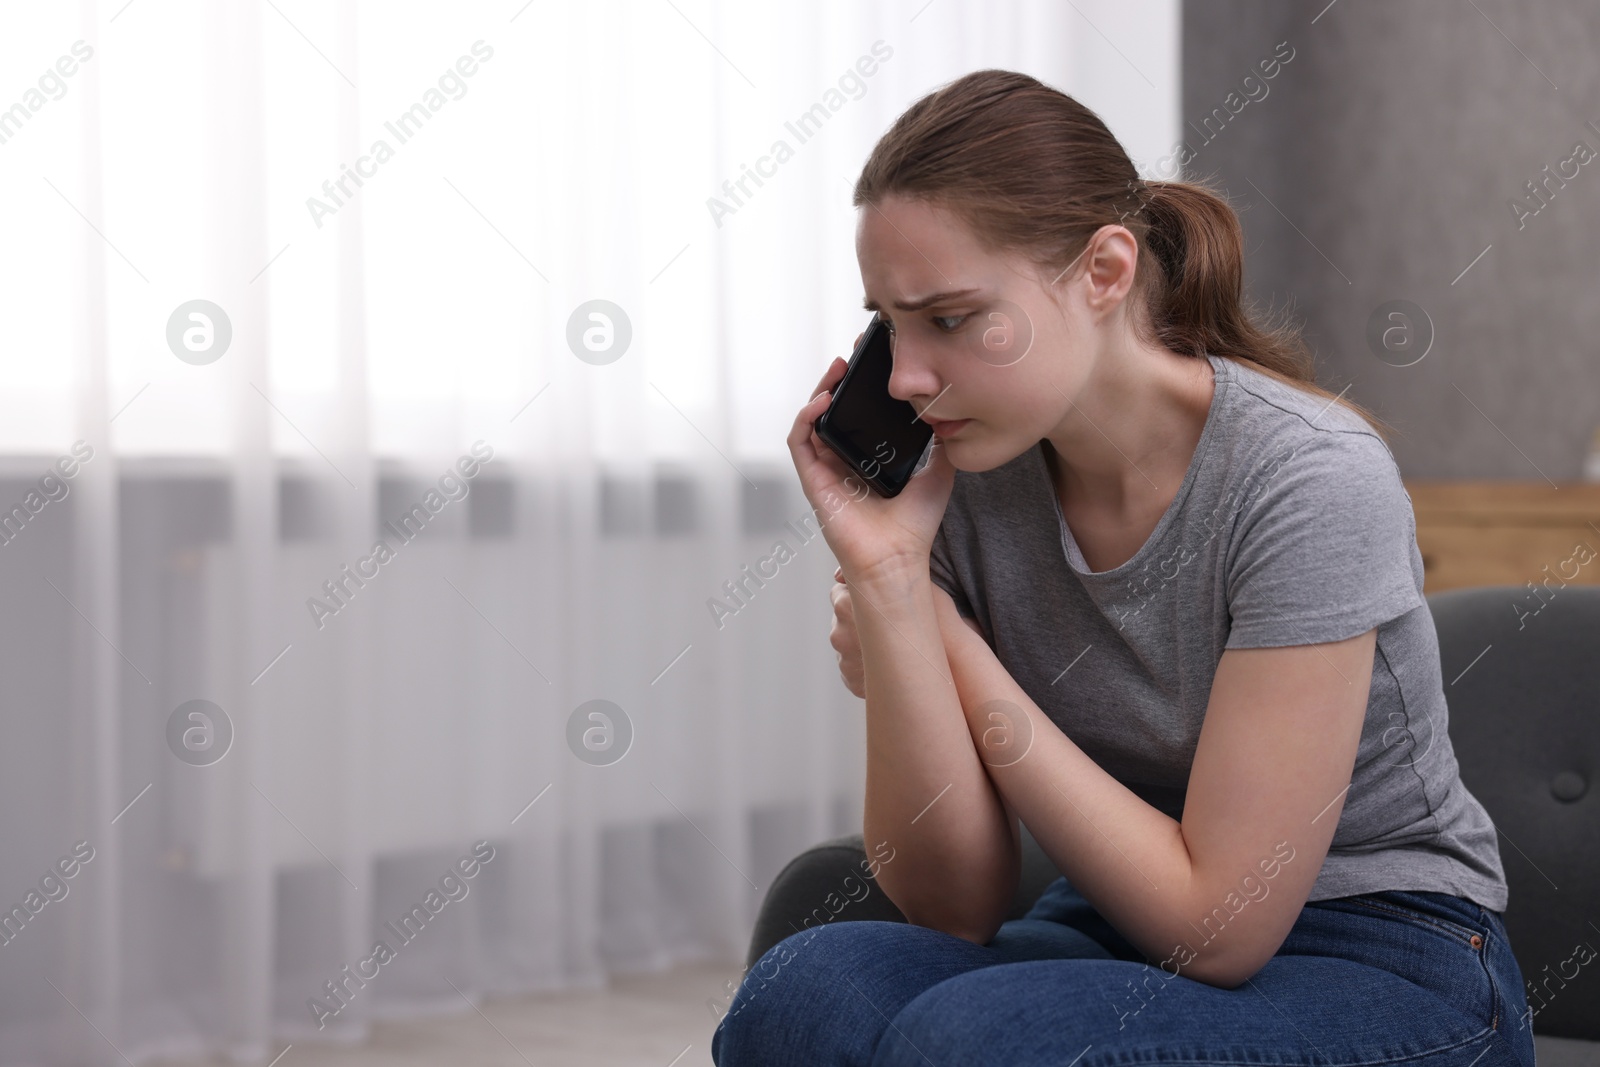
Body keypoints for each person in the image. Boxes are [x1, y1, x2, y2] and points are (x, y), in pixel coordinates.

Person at [710, 69, 1536, 1067]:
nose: (908, 378)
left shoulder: (1309, 478)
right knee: (801, 995)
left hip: (1392, 949)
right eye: (891, 322)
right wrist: (891, 581)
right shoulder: (966, 466)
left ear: (1103, 272)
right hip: (1110, 924)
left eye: (952, 317)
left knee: (970, 1038)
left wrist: (939, 638)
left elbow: (1218, 926)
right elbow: (952, 905)